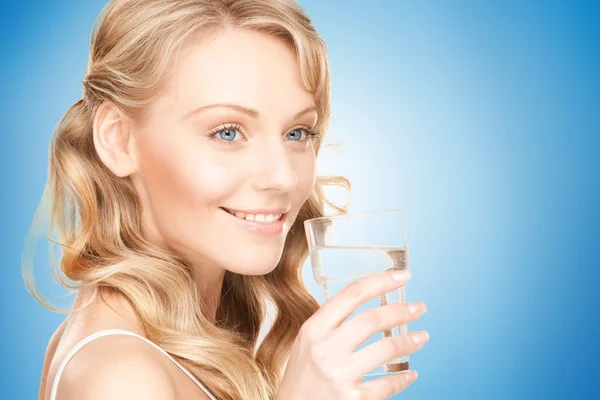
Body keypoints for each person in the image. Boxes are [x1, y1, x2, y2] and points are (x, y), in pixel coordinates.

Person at [23, 0, 429, 399]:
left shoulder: (165, 342)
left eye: (297, 133)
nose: (283, 176)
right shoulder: (123, 378)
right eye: (227, 132)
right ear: (119, 138)